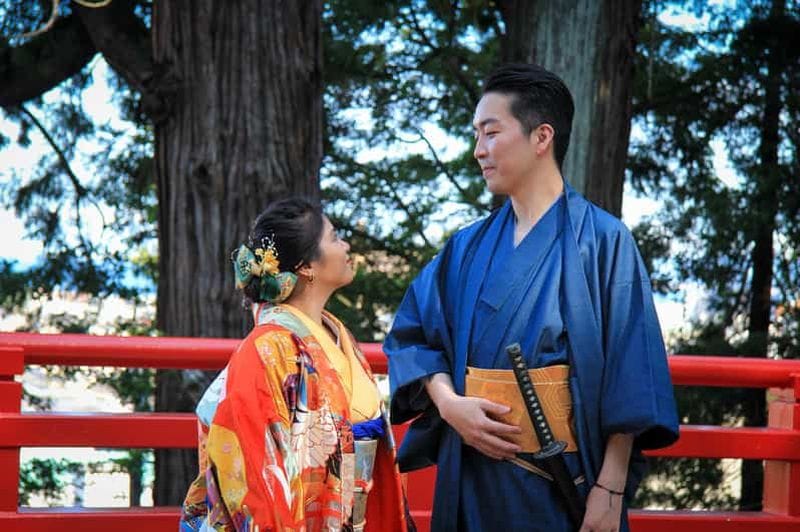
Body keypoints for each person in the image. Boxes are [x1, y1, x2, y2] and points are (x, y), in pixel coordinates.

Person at [385, 64, 679, 531]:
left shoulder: (602, 241)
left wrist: (611, 486)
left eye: (491, 132)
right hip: (472, 478)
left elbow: (631, 369)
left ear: (542, 137)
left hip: (566, 484)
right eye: (475, 134)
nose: (477, 150)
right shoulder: (467, 246)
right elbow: (413, 335)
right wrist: (448, 405)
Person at [180, 198, 411, 532]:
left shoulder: (336, 334)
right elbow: (257, 473)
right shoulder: (267, 350)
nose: (346, 245)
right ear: (306, 266)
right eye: (334, 238)